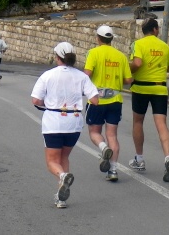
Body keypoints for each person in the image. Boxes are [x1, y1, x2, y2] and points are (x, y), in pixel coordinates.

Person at [31, 42, 99, 208]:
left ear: (57, 57)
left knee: (52, 162)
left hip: (54, 121)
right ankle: (61, 197)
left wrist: (47, 104)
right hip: (74, 121)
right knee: (64, 157)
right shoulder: (82, 76)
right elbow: (95, 99)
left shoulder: (48, 75)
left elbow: (35, 100)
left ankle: (62, 177)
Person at [128, 18, 169, 182]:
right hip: (159, 88)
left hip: (141, 87)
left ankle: (139, 159)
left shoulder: (138, 44)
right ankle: (168, 157)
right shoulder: (164, 46)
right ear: (155, 30)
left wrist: (129, 71)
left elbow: (137, 62)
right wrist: (159, 65)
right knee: (161, 124)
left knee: (138, 122)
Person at [83, 25, 133, 182]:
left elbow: (87, 74)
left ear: (98, 38)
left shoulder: (93, 53)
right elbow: (128, 80)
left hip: (97, 99)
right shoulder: (121, 56)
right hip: (115, 101)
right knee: (112, 135)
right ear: (111, 39)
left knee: (94, 132)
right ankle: (113, 171)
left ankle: (103, 148)